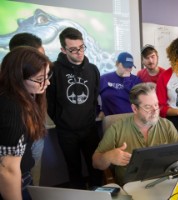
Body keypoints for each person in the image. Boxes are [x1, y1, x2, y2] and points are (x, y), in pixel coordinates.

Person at [92, 82, 178, 185]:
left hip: (163, 182)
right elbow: (96, 163)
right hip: (132, 187)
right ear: (135, 109)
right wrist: (109, 156)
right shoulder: (117, 129)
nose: (155, 111)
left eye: (156, 104)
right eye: (148, 107)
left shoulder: (166, 125)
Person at [46, 27, 103, 189]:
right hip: (66, 131)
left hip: (89, 128)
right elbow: (49, 102)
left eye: (81, 47)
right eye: (73, 49)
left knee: (95, 166)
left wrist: (90, 117)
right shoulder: (54, 70)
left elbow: (93, 97)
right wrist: (61, 119)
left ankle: (97, 194)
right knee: (73, 168)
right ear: (63, 50)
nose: (79, 52)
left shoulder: (93, 70)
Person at [0, 46, 51, 200]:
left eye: (48, 76)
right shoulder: (12, 109)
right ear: (17, 78)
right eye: (40, 79)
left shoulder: (22, 97)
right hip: (12, 180)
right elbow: (7, 169)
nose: (47, 83)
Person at [8, 32, 46, 186]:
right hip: (16, 151)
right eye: (38, 57)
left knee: (32, 181)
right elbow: (8, 169)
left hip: (35, 133)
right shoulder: (8, 104)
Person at [99, 52, 141, 116]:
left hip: (131, 119)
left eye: (130, 67)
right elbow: (92, 98)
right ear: (117, 64)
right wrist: (98, 111)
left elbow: (139, 100)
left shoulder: (136, 80)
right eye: (125, 66)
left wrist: (127, 80)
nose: (127, 69)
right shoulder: (104, 79)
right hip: (111, 119)